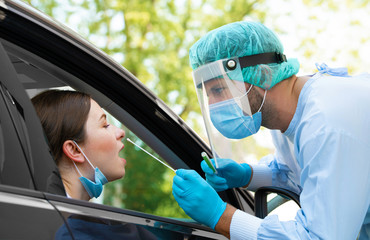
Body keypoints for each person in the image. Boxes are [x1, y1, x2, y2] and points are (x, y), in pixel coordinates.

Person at [172, 21, 370, 239]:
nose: (212, 105)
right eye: (207, 95)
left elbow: (320, 237)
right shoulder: (291, 115)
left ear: (262, 75)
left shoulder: (326, 121)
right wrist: (247, 175)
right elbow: (298, 172)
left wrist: (221, 217)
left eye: (219, 90)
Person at [32, 89, 126, 200]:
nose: (121, 133)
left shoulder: (53, 210)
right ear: (74, 150)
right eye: (105, 125)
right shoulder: (52, 214)